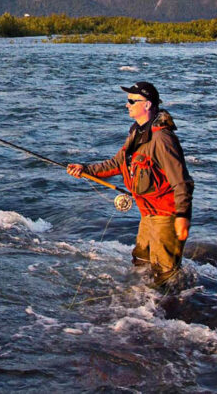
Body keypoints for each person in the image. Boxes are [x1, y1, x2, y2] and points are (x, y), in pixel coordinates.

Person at [67, 81, 194, 285]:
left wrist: (182, 216)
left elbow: (181, 181)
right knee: (141, 263)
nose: (127, 105)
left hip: (165, 217)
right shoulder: (136, 132)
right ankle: (140, 308)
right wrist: (85, 169)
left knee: (165, 277)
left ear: (147, 105)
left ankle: (169, 310)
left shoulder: (163, 139)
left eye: (132, 101)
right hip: (147, 215)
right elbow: (117, 164)